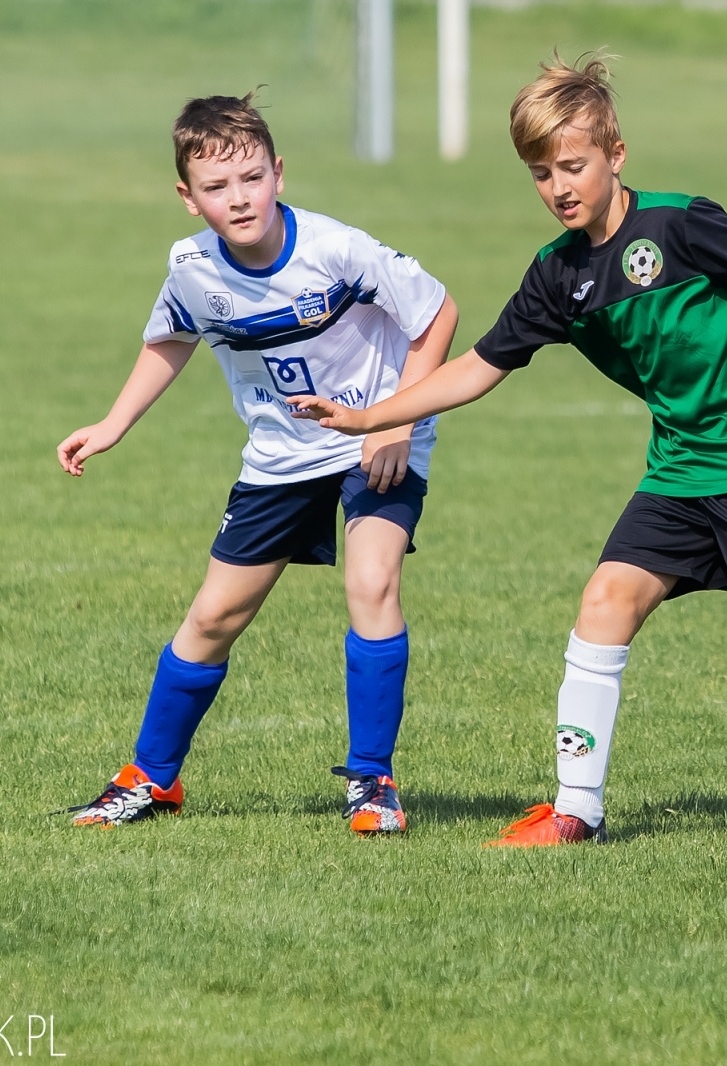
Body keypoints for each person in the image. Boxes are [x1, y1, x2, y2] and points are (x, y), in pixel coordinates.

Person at [292, 55, 727, 847]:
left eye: (573, 166)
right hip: (680, 468)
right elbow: (478, 367)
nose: (558, 187)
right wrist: (372, 417)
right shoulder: (559, 276)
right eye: (540, 174)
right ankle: (576, 809)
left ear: (617, 154)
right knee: (605, 602)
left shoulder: (683, 226)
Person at [56, 92, 458, 833]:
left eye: (251, 178)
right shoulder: (191, 267)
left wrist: (396, 420)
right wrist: (114, 424)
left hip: (372, 436)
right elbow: (171, 337)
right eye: (216, 186)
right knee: (214, 615)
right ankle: (150, 778)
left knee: (372, 580)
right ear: (188, 197)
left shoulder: (336, 250)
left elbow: (436, 314)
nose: (239, 198)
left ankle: (372, 782)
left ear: (278, 173)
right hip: (281, 453)